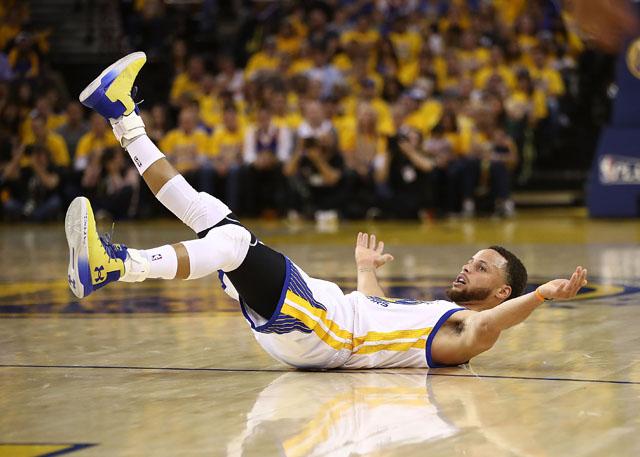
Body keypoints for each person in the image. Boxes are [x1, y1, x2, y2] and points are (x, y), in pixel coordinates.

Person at [67, 52, 588, 370]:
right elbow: (378, 316)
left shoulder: (467, 334)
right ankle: (124, 118)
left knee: (230, 246)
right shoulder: (434, 317)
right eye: (472, 259)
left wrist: (541, 293)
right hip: (323, 318)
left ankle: (117, 265)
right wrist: (365, 274)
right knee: (213, 217)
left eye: (481, 267)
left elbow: (491, 326)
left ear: (501, 292)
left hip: (323, 332)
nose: (466, 267)